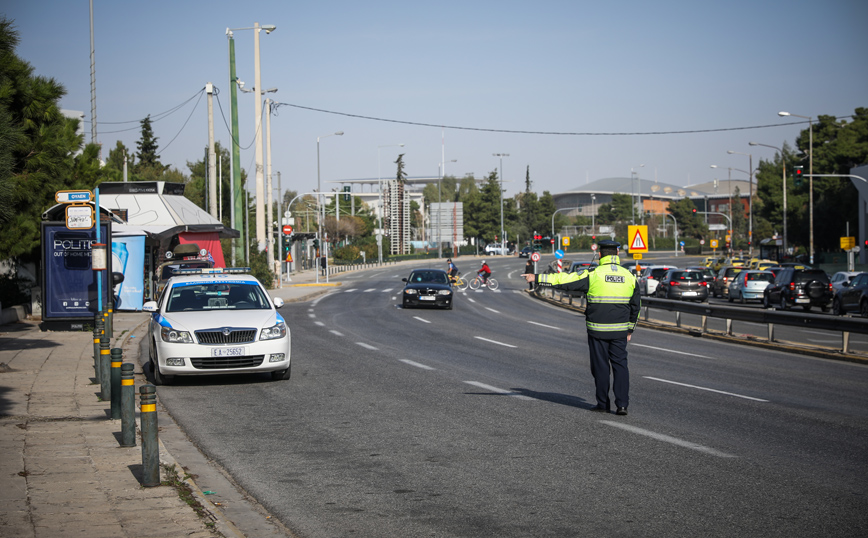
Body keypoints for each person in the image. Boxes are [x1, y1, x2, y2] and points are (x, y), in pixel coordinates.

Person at [522, 240, 639, 416]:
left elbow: (566, 280)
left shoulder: (594, 274)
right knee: (620, 366)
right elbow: (636, 306)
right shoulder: (629, 276)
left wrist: (537, 278)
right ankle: (622, 405)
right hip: (620, 331)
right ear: (617, 255)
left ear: (600, 255)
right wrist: (630, 329)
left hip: (597, 330)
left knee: (600, 367)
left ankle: (603, 404)